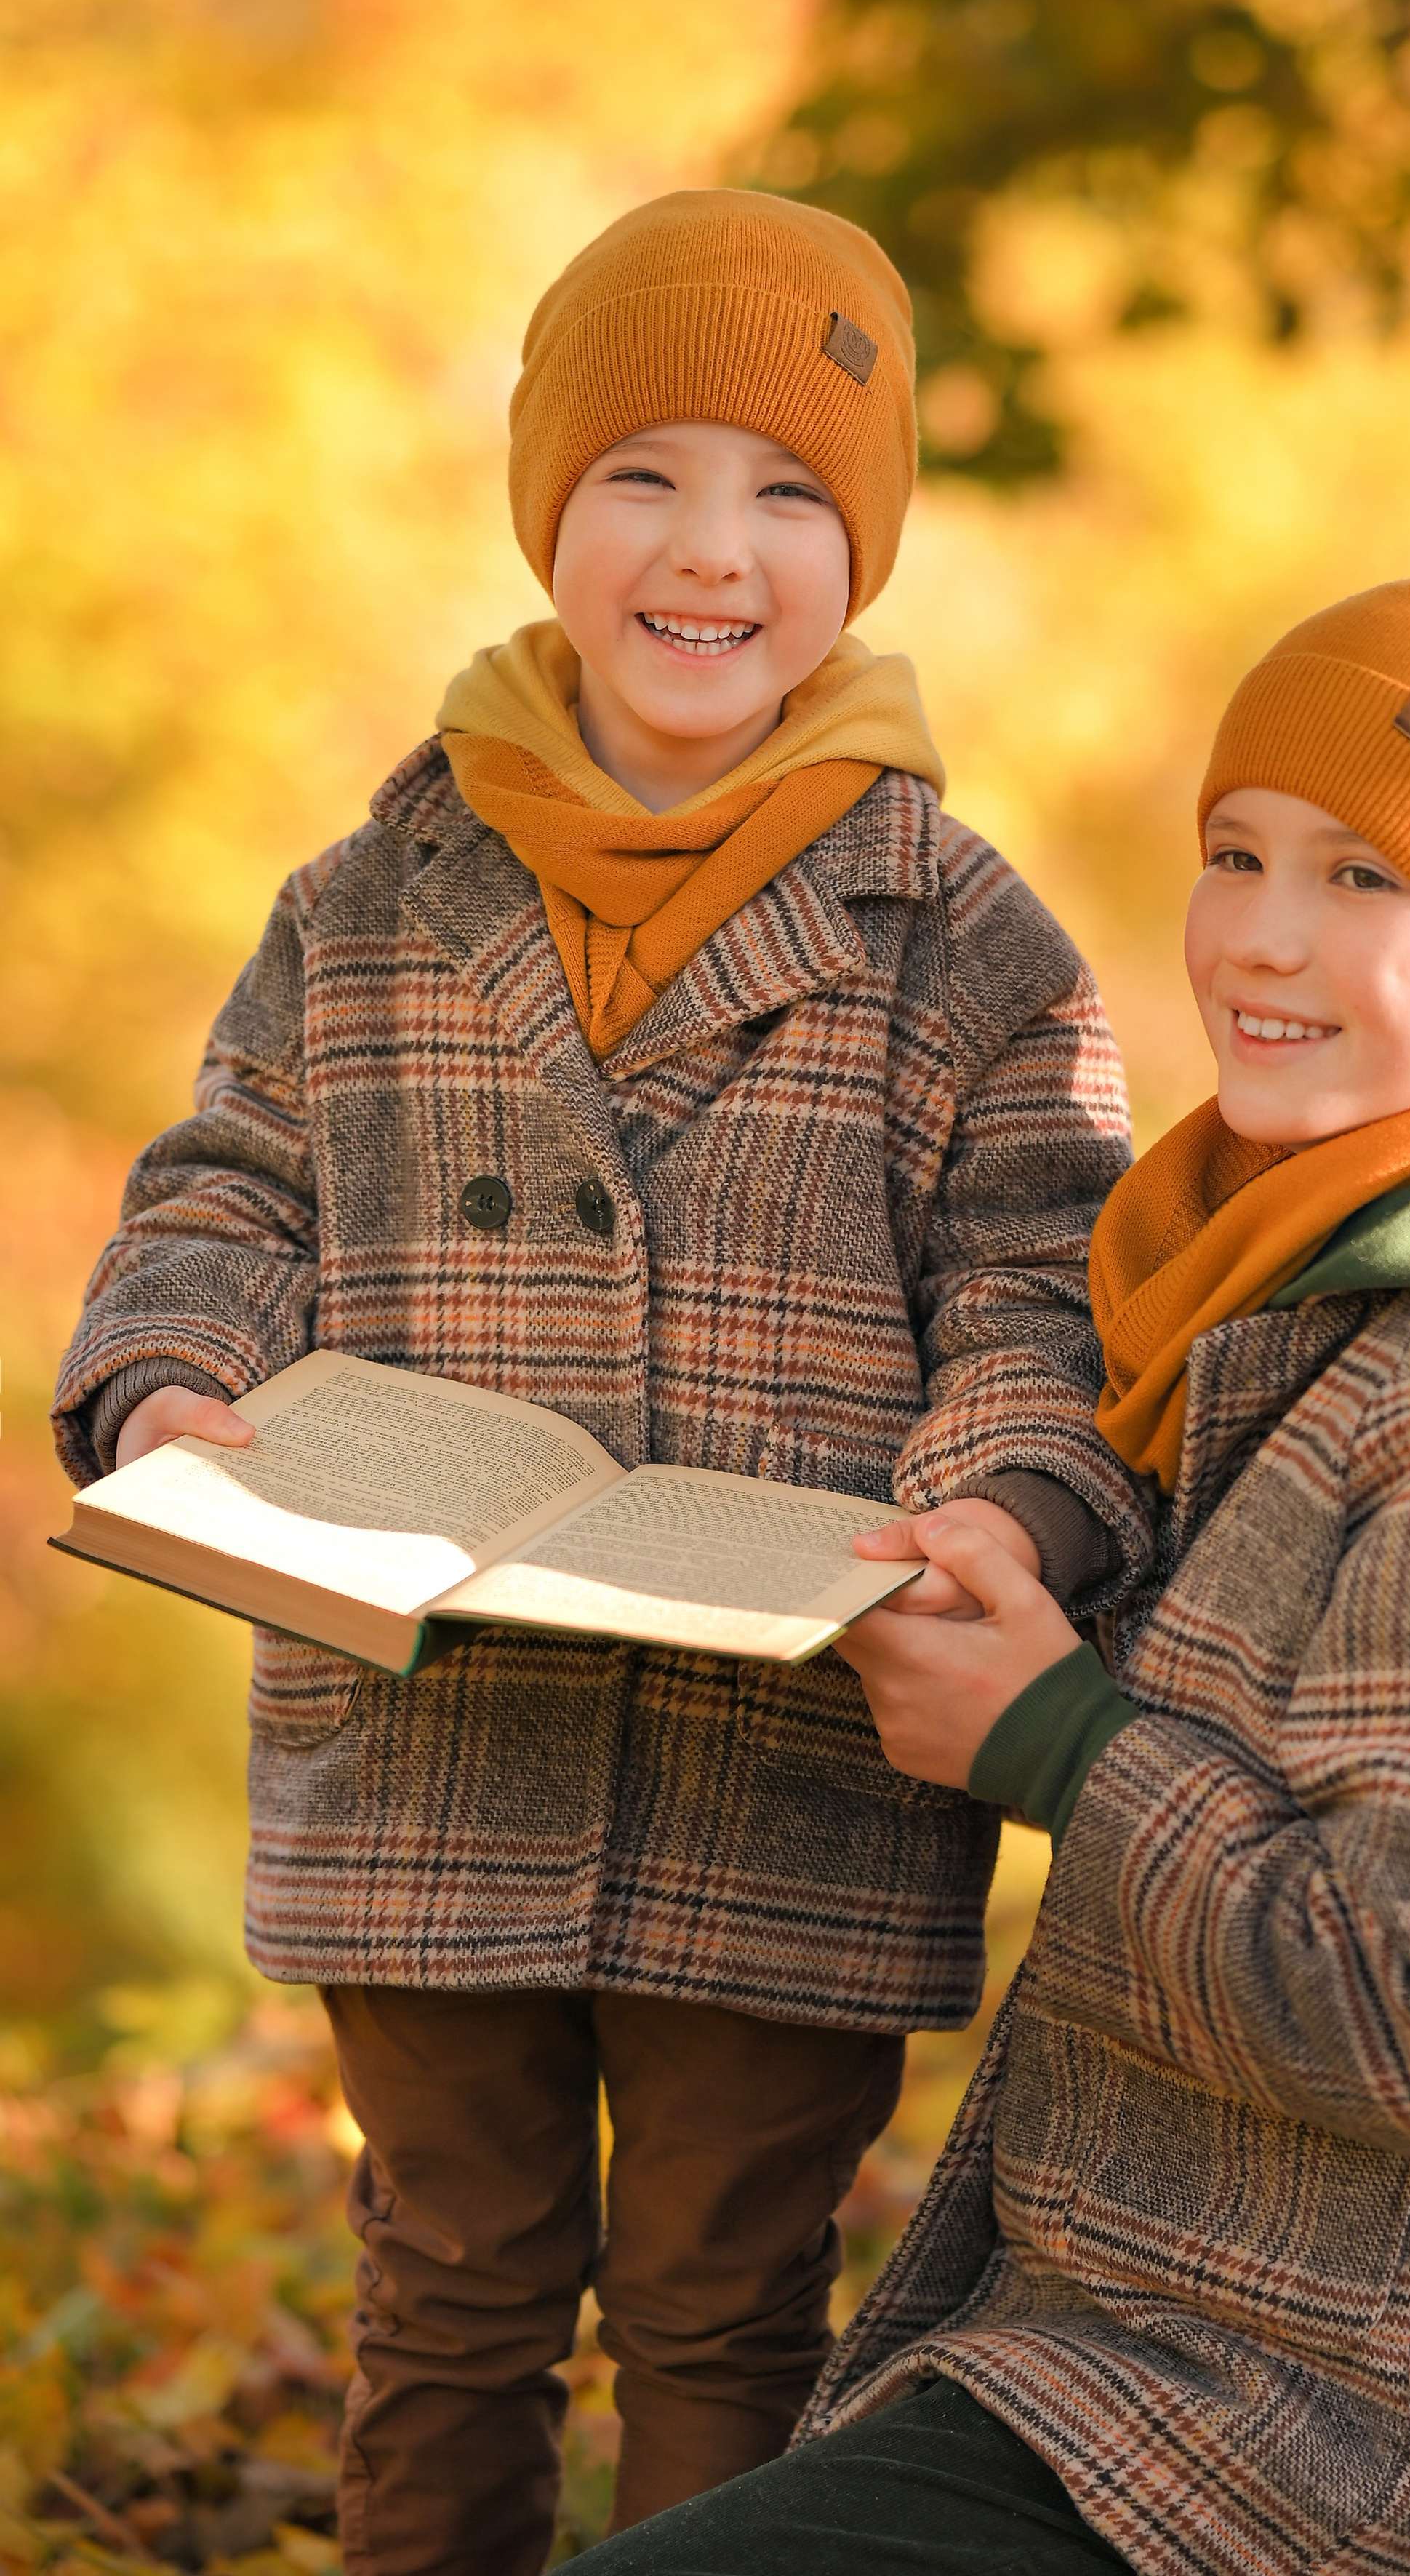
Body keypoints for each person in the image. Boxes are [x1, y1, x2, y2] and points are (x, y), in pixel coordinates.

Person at [51, 189, 1151, 2576]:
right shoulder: (373, 895)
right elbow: (228, 1188)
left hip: (788, 1748)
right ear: (551, 508)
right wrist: (167, 1386)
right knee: (442, 2295)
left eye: (787, 495)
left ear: (860, 553)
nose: (711, 553)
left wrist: (1004, 1510)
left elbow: (1040, 1291)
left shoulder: (959, 935)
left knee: (729, 2305)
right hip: (429, 1731)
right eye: (644, 474)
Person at [556, 574, 1410, 2576]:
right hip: (1152, 2326)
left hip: (1343, 2425)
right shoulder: (1309, 1287)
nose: (1263, 939)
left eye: (1370, 878)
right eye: (1238, 854)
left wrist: (1057, 1737)